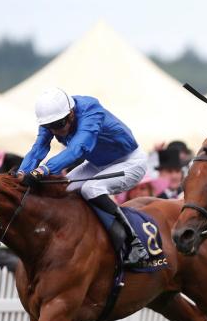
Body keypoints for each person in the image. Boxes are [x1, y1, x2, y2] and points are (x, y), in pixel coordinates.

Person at [18, 88, 149, 265]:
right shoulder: (52, 119)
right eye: (50, 127)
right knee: (64, 189)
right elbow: (38, 149)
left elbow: (77, 149)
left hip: (130, 161)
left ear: (71, 114)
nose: (56, 130)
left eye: (59, 124)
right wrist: (21, 173)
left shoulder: (91, 111)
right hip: (97, 164)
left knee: (91, 188)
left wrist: (43, 170)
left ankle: (132, 243)